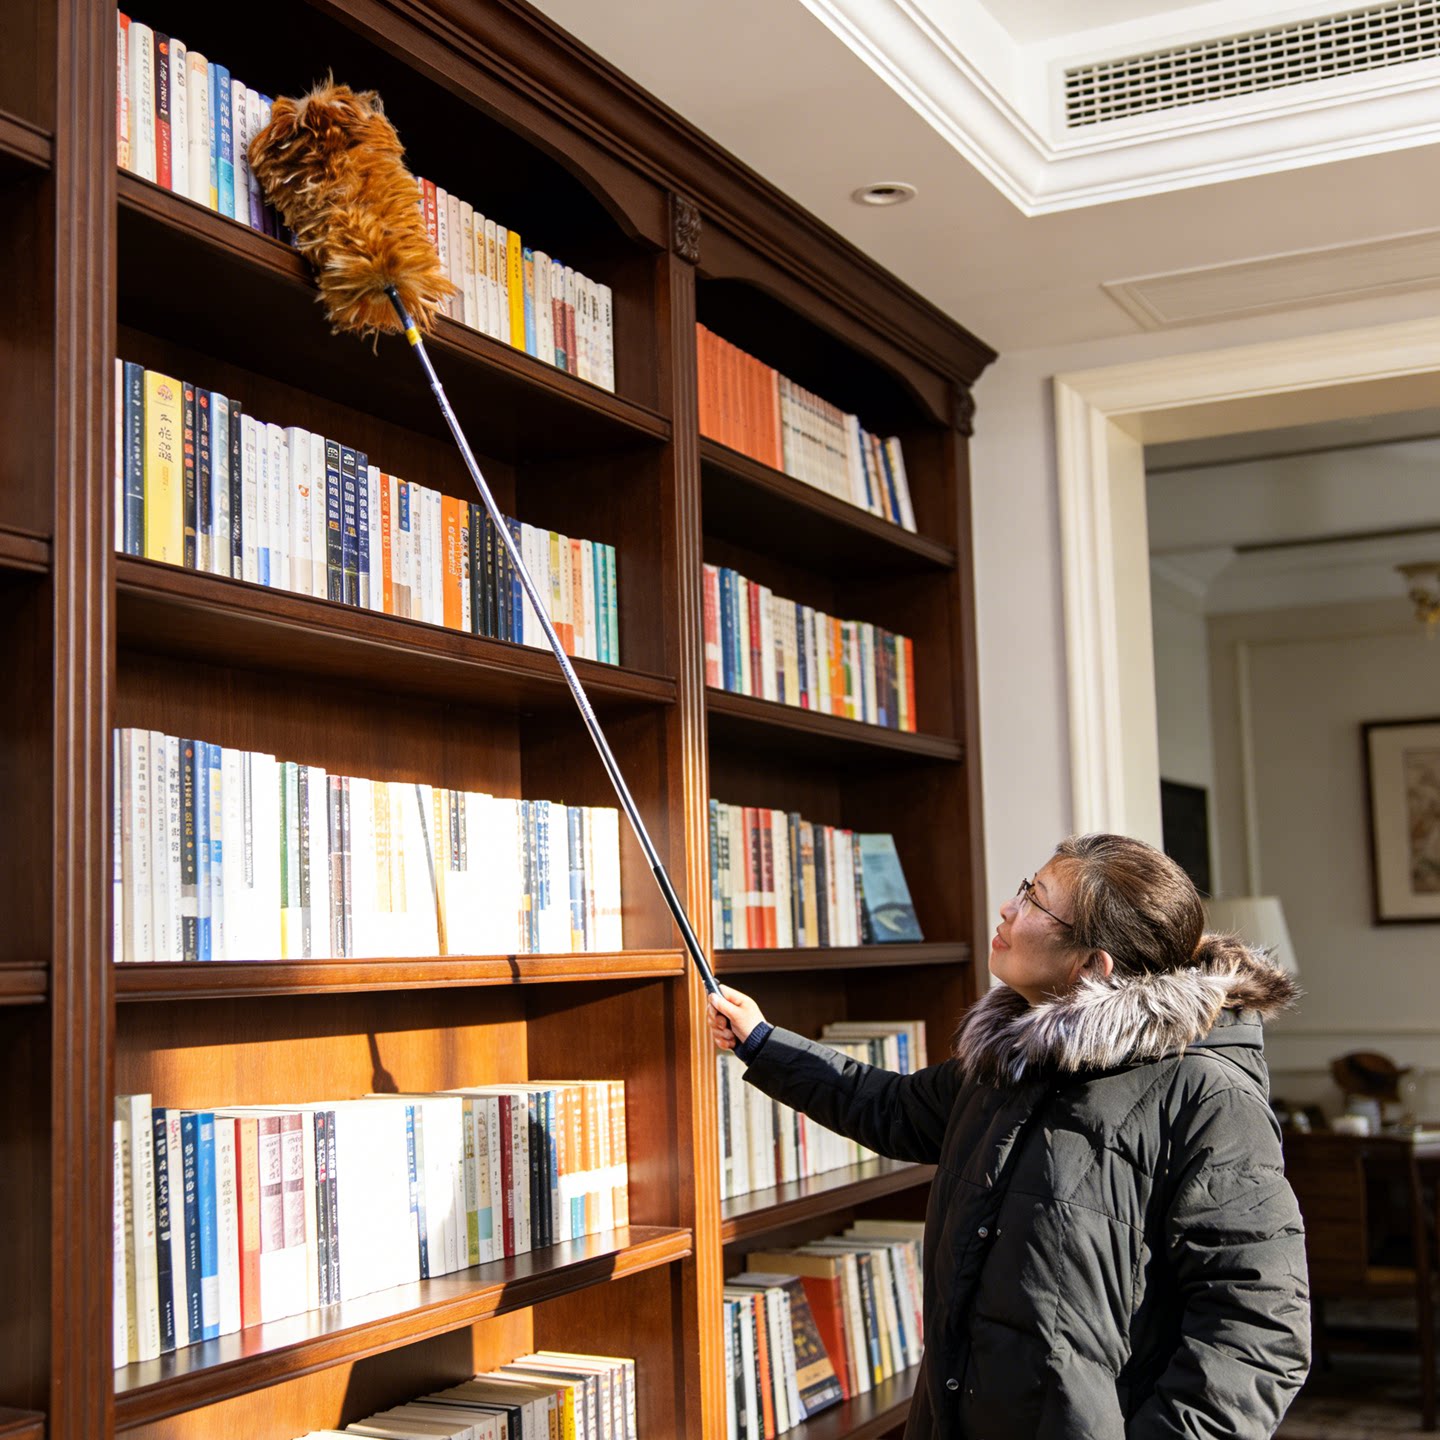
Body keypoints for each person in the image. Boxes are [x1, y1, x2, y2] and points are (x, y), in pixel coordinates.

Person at [708, 833, 1311, 1439]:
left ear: (1092, 967)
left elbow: (1260, 1330)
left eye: (1035, 902)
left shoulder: (1207, 1097)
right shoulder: (1013, 1057)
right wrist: (762, 1041)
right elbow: (891, 1108)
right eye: (1026, 888)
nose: (1007, 908)